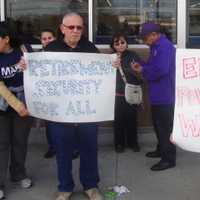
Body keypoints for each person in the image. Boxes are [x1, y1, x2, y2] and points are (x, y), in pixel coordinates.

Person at [45, 13, 103, 200]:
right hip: (61, 113)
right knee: (63, 152)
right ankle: (65, 187)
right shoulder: (51, 49)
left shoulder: (90, 48)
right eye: (71, 27)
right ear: (62, 28)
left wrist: (112, 66)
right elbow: (41, 76)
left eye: (79, 27)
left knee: (89, 149)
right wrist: (26, 67)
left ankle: (91, 186)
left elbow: (101, 74)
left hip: (86, 111)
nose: (76, 31)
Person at [132, 22, 176, 171]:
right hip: (158, 93)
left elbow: (161, 70)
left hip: (165, 94)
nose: (144, 41)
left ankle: (168, 159)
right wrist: (141, 66)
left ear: (154, 35)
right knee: (158, 125)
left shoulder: (163, 46)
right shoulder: (156, 46)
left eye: (145, 38)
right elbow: (153, 66)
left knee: (164, 128)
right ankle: (161, 149)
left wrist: (143, 69)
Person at [0, 22, 33, 200]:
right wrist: (17, 106)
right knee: (2, 144)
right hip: (3, 104)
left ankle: (19, 174)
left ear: (6, 39)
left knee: (20, 141)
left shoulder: (24, 50)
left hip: (24, 101)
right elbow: (1, 88)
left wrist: (29, 67)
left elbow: (37, 72)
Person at [110, 33, 142, 153]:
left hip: (131, 93)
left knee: (132, 119)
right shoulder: (110, 57)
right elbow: (105, 76)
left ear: (127, 43)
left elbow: (140, 74)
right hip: (116, 94)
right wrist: (111, 66)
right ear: (113, 45)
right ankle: (119, 144)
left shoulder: (133, 55)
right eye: (116, 43)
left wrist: (131, 69)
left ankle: (133, 142)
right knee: (118, 120)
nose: (120, 45)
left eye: (122, 42)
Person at [40, 29, 56, 158]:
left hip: (64, 93)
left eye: (49, 38)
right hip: (47, 94)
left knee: (67, 123)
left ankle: (72, 148)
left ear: (55, 39)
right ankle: (52, 147)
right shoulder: (36, 56)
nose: (47, 41)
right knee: (49, 123)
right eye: (44, 39)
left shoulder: (63, 52)